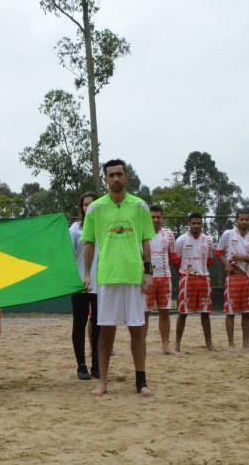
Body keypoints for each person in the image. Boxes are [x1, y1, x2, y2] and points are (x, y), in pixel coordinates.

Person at [81, 159, 155, 397]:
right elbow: (89, 243)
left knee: (137, 330)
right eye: (111, 175)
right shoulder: (96, 208)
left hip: (133, 275)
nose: (115, 178)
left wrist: (148, 271)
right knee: (106, 331)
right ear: (105, 179)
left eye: (119, 174)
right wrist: (86, 274)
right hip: (107, 277)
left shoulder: (140, 206)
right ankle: (102, 381)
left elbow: (145, 240)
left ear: (126, 176)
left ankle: (141, 381)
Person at [216, 212, 249, 350]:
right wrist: (226, 264)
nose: (244, 222)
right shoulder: (228, 234)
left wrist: (244, 258)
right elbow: (219, 252)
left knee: (246, 313)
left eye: (247, 220)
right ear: (236, 220)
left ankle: (246, 343)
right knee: (230, 313)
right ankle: (231, 344)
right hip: (233, 278)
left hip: (248, 278)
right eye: (241, 219)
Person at [173, 213, 215, 352]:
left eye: (198, 223)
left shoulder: (208, 240)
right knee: (183, 313)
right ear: (189, 224)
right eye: (194, 223)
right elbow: (176, 260)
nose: (196, 226)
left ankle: (209, 343)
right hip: (187, 279)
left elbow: (209, 260)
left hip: (204, 279)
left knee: (205, 313)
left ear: (202, 224)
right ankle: (177, 344)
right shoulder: (181, 240)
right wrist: (185, 272)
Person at [69, 192, 99, 380]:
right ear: (81, 208)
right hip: (80, 284)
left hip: (101, 284)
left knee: (98, 325)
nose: (88, 207)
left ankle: (97, 364)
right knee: (79, 324)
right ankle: (81, 366)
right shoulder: (74, 230)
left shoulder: (104, 228)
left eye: (92, 204)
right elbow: (66, 254)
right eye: (85, 204)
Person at [145, 205, 176, 354]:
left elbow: (172, 255)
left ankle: (165, 345)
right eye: (153, 217)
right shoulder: (142, 233)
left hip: (165, 277)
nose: (156, 219)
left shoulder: (169, 235)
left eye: (158, 217)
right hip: (147, 278)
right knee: (144, 313)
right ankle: (141, 344)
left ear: (162, 218)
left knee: (165, 312)